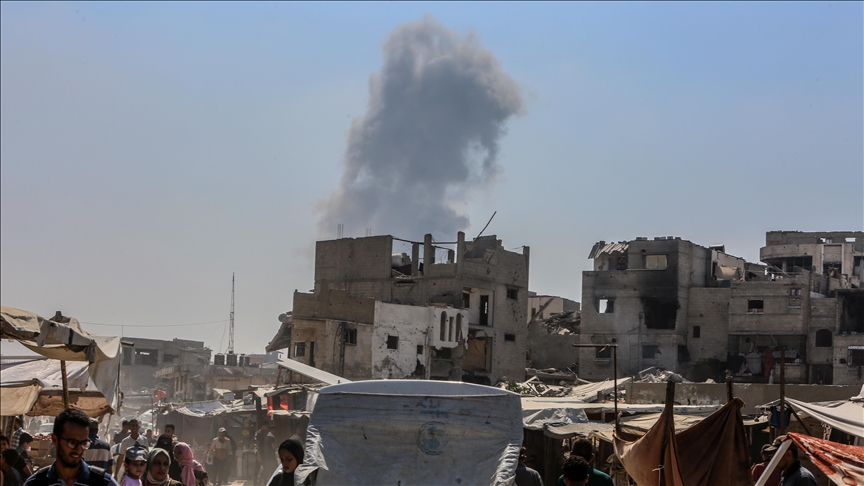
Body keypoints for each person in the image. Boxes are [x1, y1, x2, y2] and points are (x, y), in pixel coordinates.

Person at [23, 408, 119, 486]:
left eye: (84, 443)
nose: (78, 450)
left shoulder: (104, 482)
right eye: (72, 442)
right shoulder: (35, 483)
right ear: (55, 440)